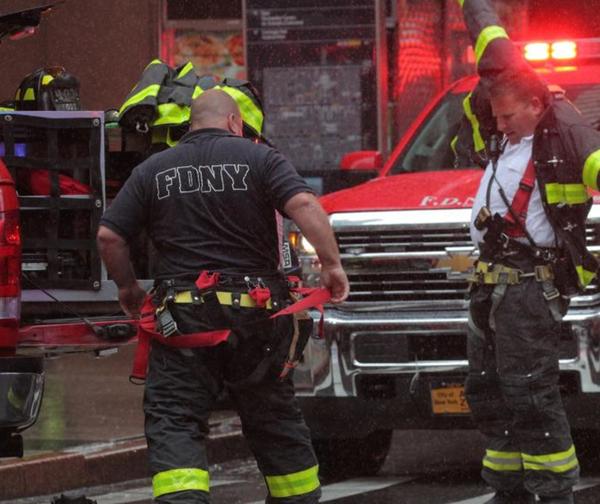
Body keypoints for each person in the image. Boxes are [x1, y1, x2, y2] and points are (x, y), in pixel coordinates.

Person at [97, 88, 349, 504]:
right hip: (258, 320)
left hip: (182, 323)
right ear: (235, 122)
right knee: (272, 415)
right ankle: (297, 497)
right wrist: (332, 265)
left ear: (188, 126)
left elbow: (109, 235)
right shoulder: (261, 158)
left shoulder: (153, 169)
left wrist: (127, 288)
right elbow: (303, 203)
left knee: (176, 418)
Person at [455, 1, 600, 503]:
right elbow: (488, 37)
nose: (499, 124)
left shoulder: (564, 136)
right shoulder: (503, 136)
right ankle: (509, 490)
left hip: (528, 289)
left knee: (530, 393)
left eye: (509, 115)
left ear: (537, 106)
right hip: (490, 285)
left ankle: (553, 493)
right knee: (487, 390)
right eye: (494, 115)